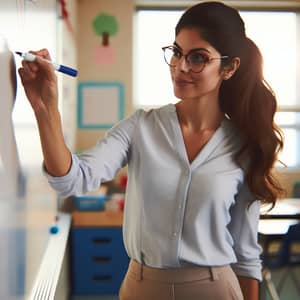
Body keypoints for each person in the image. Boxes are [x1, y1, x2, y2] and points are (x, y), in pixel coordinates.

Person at [18, 1, 285, 299]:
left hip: (215, 289)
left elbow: (246, 255)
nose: (181, 67)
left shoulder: (243, 145)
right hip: (142, 288)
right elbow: (72, 179)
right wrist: (45, 109)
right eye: (177, 52)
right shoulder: (139, 127)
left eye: (198, 58)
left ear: (229, 67)